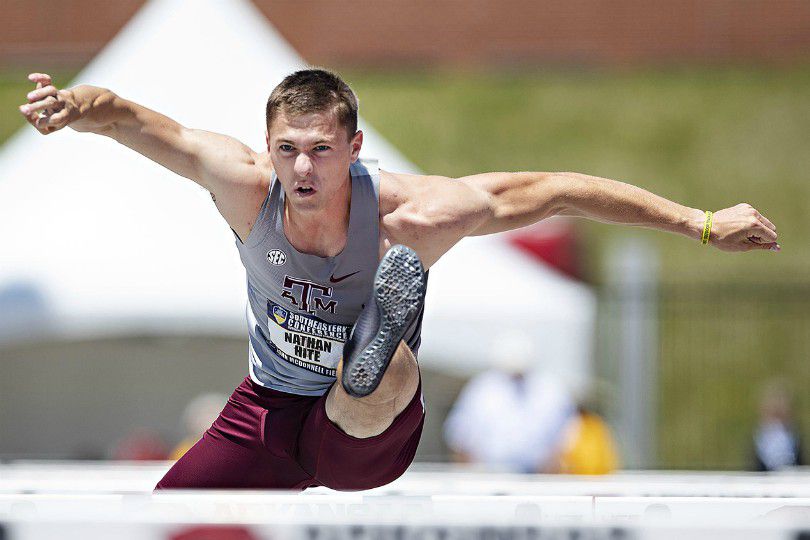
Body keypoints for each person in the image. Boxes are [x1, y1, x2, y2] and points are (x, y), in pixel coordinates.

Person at [19, 69, 779, 491]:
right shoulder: (245, 186)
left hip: (364, 431)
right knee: (164, 518)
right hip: (265, 409)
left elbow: (554, 188)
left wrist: (700, 222)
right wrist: (70, 106)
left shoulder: (414, 212)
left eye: (321, 150)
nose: (303, 171)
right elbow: (133, 119)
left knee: (372, 378)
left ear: (354, 145)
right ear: (267, 147)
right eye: (288, 150)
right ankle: (372, 342)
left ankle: (381, 341)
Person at [444, 331, 576, 473]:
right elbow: (460, 436)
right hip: (488, 474)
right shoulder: (482, 388)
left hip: (537, 475)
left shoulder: (551, 389)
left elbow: (568, 433)